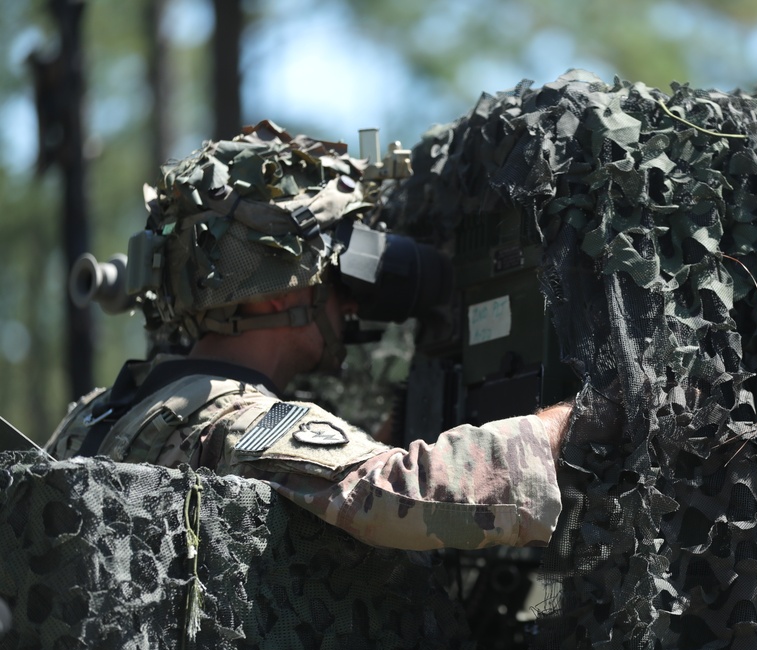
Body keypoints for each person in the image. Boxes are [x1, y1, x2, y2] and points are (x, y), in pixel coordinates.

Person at [45, 120, 570, 552]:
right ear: (277, 295)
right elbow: (404, 495)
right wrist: (571, 424)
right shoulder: (241, 426)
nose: (347, 299)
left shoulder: (92, 416)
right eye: (332, 271)